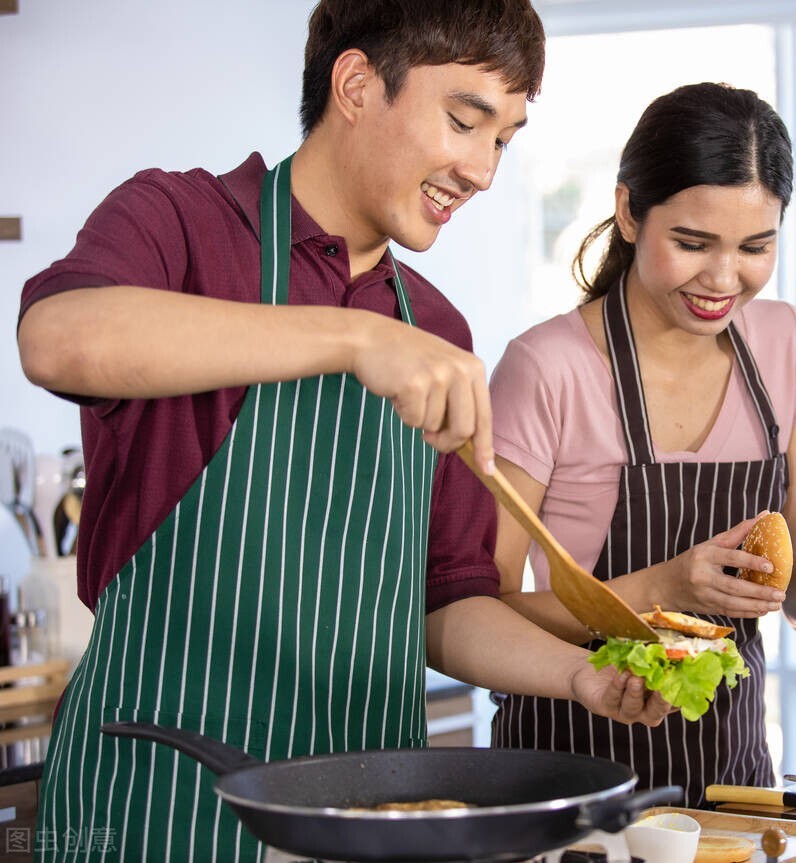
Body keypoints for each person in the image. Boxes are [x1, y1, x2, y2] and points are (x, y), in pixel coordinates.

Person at [16, 3, 673, 860]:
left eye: (503, 140)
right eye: (464, 120)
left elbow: (445, 604)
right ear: (357, 84)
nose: (482, 170)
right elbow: (57, 339)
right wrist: (356, 339)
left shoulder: (435, 333)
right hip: (158, 803)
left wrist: (580, 673)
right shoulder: (183, 223)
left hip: (368, 818)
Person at [487, 82, 796, 807]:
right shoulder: (548, 366)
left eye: (756, 246)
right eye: (692, 244)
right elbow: (483, 611)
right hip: (566, 785)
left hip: (733, 789)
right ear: (629, 212)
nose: (724, 279)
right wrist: (662, 588)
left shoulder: (790, 345)